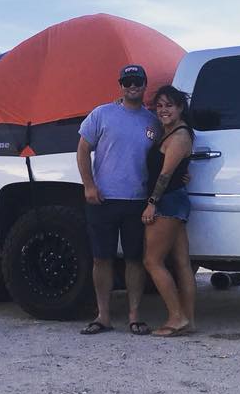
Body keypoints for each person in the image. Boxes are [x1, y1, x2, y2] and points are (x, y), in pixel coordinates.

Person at [76, 64, 160, 335]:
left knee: (135, 259)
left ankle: (134, 316)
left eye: (137, 80)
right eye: (127, 81)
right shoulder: (101, 114)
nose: (132, 85)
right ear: (120, 85)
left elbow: (164, 156)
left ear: (145, 84)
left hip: (137, 201)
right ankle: (103, 316)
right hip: (103, 200)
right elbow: (82, 150)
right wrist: (89, 186)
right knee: (101, 259)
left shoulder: (153, 122)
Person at [141, 85, 195, 336]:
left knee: (152, 261)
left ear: (180, 107)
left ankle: (176, 317)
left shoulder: (179, 136)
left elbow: (165, 175)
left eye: (169, 105)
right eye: (159, 106)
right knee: (182, 263)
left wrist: (152, 203)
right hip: (176, 199)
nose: (163, 110)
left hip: (167, 202)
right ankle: (188, 320)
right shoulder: (173, 132)